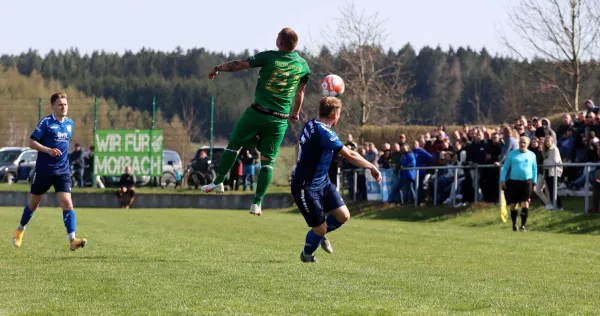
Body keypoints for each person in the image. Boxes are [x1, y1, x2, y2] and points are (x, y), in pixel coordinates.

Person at [202, 28, 311, 217]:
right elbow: (300, 92)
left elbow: (239, 65)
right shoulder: (303, 65)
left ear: (280, 43)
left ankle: (218, 181)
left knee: (234, 144)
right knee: (268, 161)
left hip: (258, 112)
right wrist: (296, 112)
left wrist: (218, 68)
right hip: (279, 119)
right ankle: (257, 202)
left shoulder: (269, 57)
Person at [292, 97, 382, 263]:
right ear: (335, 115)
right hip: (306, 187)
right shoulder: (325, 133)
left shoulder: (310, 124)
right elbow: (351, 155)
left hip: (323, 182)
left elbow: (298, 144)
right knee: (320, 229)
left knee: (343, 215)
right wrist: (372, 167)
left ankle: (320, 234)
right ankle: (307, 254)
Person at [12, 92, 87, 251]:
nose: (63, 107)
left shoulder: (70, 124)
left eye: (65, 104)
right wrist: (48, 150)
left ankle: (72, 240)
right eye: (60, 104)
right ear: (53, 106)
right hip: (44, 171)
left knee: (67, 203)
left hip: (62, 171)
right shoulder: (46, 122)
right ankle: (20, 229)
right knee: (34, 204)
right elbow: (32, 142)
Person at [500, 136, 538, 233]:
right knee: (514, 204)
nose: (522, 144)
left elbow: (534, 169)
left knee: (525, 203)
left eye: (524, 142)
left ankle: (523, 226)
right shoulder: (512, 154)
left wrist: (534, 182)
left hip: (527, 182)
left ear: (528, 144)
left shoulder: (532, 155)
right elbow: (505, 168)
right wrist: (502, 180)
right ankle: (514, 224)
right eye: (521, 142)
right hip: (514, 182)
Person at [544, 137, 563, 211]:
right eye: (546, 141)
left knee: (553, 190)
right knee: (550, 190)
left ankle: (560, 206)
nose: (547, 143)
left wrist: (545, 162)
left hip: (553, 172)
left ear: (552, 141)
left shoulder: (555, 149)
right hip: (547, 171)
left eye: (548, 141)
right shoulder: (547, 150)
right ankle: (554, 206)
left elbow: (555, 161)